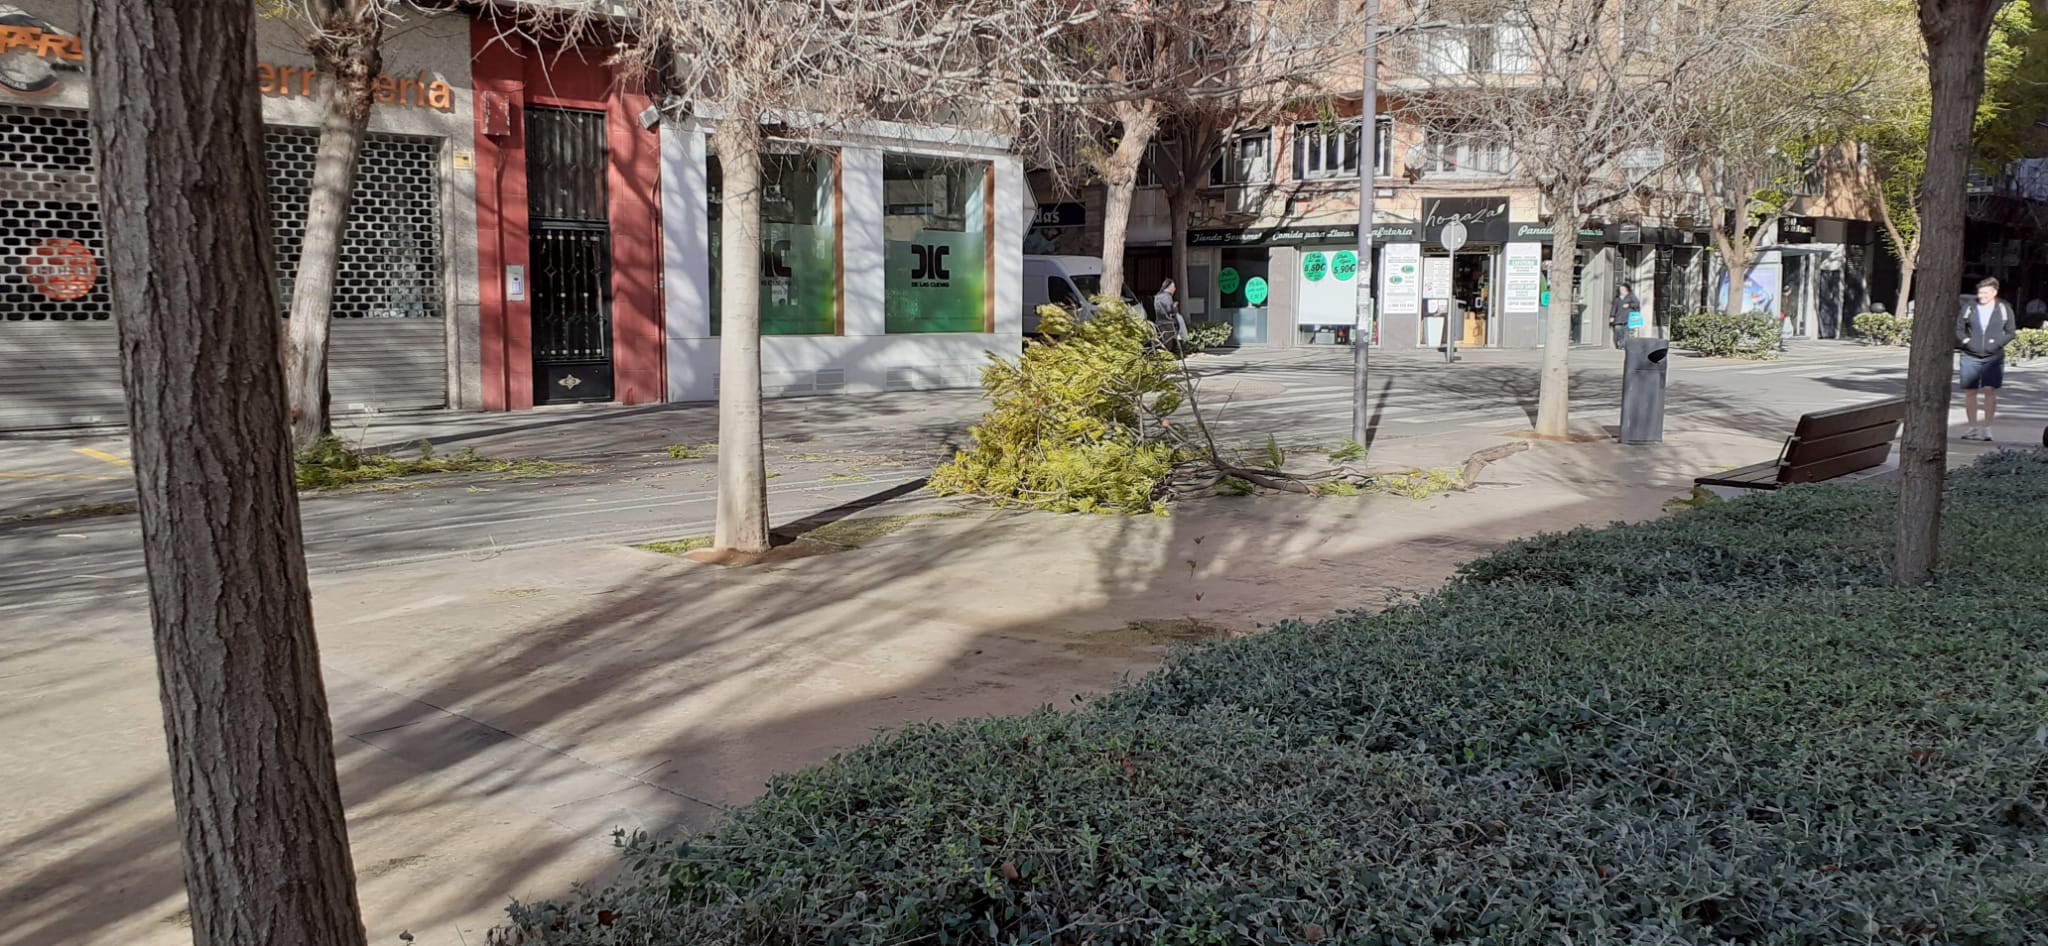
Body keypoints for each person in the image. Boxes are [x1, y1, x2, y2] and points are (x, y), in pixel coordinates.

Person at [1957, 276, 2018, 442]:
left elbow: (2011, 332)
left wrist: (1997, 344)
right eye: (1980, 292)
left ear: (1994, 293)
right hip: (1970, 355)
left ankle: (1987, 427)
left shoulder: (2004, 308)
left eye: (1985, 293)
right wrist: (1966, 341)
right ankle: (1972, 427)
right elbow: (1959, 328)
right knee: (1970, 391)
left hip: (1993, 356)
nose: (1981, 296)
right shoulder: (1970, 307)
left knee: (1990, 390)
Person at [1153, 279, 1186, 346]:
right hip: (1168, 323)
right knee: (1180, 320)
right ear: (1169, 287)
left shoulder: (1157, 296)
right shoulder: (1167, 296)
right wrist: (1174, 306)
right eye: (1173, 287)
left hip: (1159, 322)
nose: (1175, 289)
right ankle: (1183, 339)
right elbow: (1169, 310)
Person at [1609, 283, 1640, 349]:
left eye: (1623, 289)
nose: (1621, 290)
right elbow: (1614, 307)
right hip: (1619, 317)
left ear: (1627, 289)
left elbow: (1637, 304)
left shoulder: (1631, 296)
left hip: (1629, 317)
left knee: (1627, 332)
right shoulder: (1617, 298)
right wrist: (1612, 316)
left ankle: (1624, 345)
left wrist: (1629, 305)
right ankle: (1621, 343)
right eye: (1620, 289)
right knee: (1617, 330)